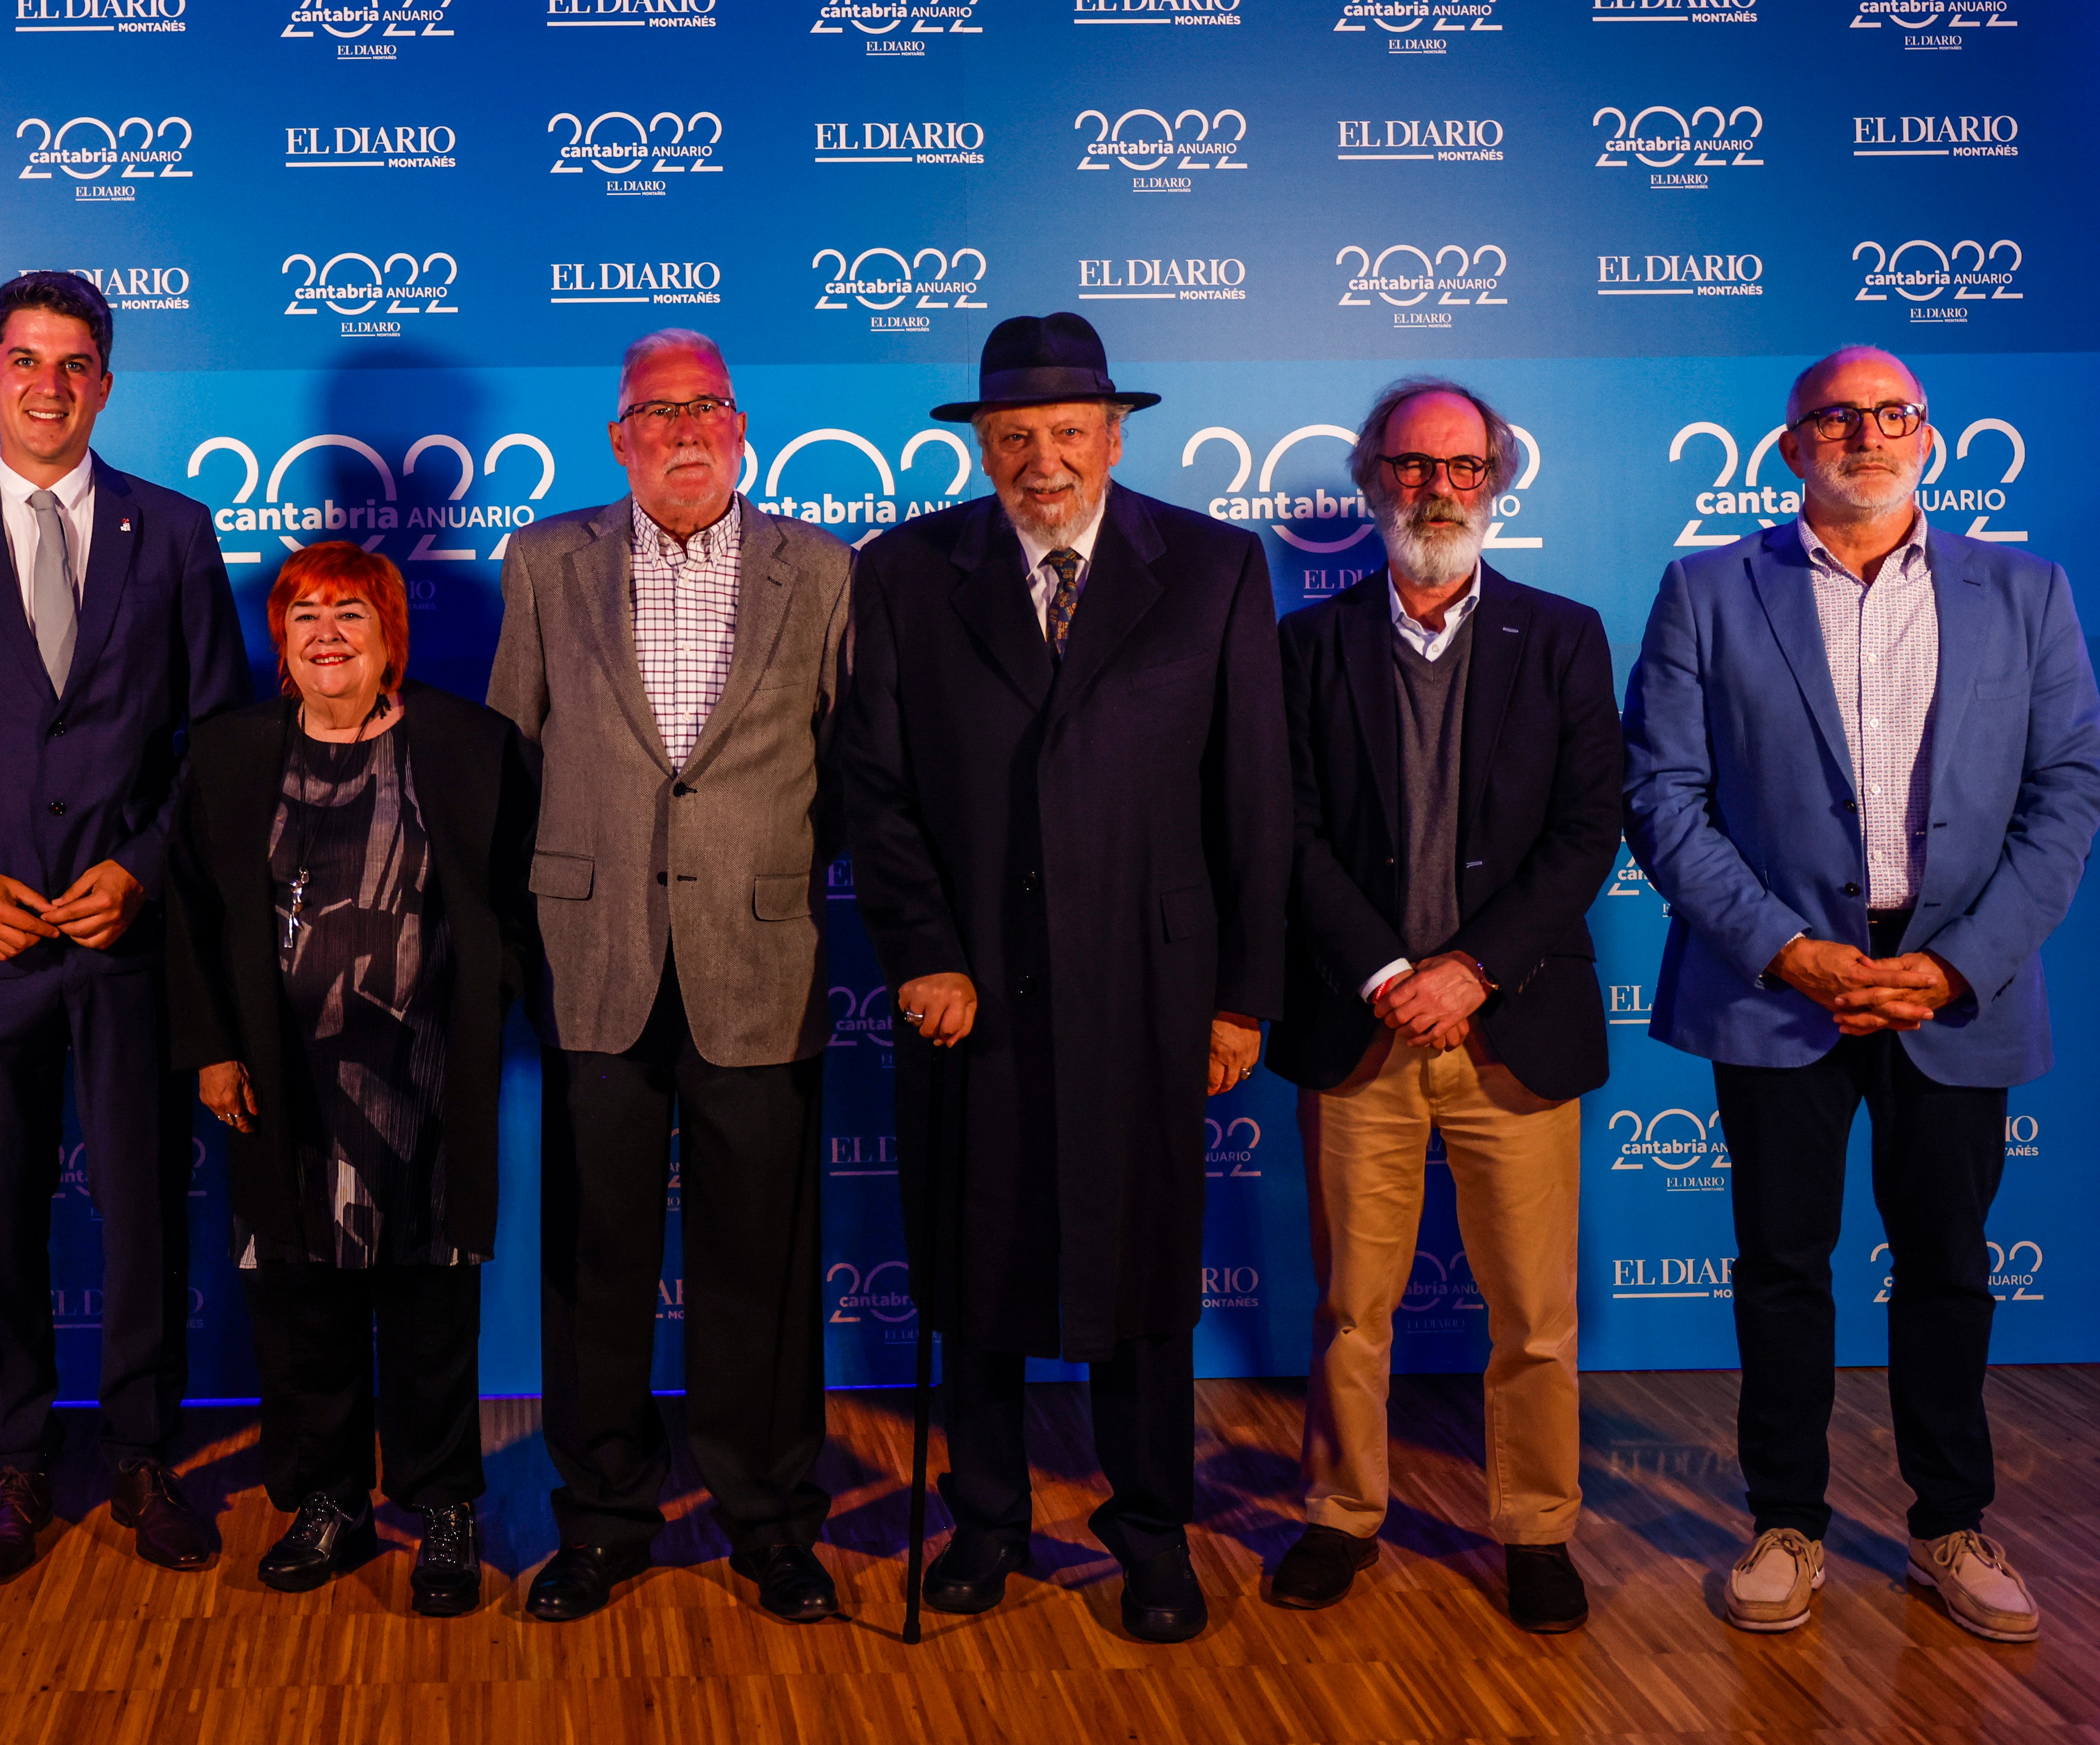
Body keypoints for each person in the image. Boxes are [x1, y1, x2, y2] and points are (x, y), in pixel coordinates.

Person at [1624, 345, 2100, 1643]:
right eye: (1832, 419)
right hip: (1777, 985)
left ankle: (1949, 1523)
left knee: (1947, 1266)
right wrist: (1782, 950)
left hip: (1953, 987)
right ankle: (1785, 1522)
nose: (1864, 435)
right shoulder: (1705, 590)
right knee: (1781, 1264)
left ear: (1928, 439)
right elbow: (1662, 796)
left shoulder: (2025, 591)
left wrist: (1954, 965)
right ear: (1787, 450)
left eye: (1890, 414)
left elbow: (2067, 794)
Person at [842, 311, 1289, 1641]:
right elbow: (875, 785)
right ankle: (986, 1521)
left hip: (1148, 995)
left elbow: (1252, 797)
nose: (1041, 460)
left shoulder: (1212, 567)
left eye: (1065, 433)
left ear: (1113, 435)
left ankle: (1150, 1532)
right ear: (980, 445)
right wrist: (918, 952)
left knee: (1143, 1274)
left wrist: (1237, 996)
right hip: (966, 991)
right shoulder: (905, 571)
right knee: (974, 1261)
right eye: (1013, 436)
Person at [0, 270, 249, 1581]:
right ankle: (17, 1461)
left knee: (145, 1207)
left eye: (74, 363)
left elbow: (218, 743)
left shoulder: (176, 532)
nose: (47, 384)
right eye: (23, 361)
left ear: (105, 381)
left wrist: (144, 869)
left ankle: (143, 1453)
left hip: (129, 937)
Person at [486, 328, 853, 1624]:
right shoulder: (544, 563)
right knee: (597, 1260)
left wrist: (758, 865)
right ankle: (600, 1517)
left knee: (763, 1262)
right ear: (617, 438)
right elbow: (508, 761)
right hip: (596, 963)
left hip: (759, 960)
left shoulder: (821, 569)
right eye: (656, 412)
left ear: (741, 423)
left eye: (705, 407)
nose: (683, 431)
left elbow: (849, 771)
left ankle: (766, 1520)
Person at [1267, 378, 1623, 1634]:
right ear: (1372, 479)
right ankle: (1338, 1512)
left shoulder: (1564, 635)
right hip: (1357, 1032)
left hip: (1510, 1030)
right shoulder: (1300, 648)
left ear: (1497, 478)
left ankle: (1533, 1529)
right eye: (1412, 468)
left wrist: (1469, 970)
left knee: (1532, 1318)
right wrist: (1384, 977)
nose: (1436, 490)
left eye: (1461, 468)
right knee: (1347, 1310)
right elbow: (1287, 835)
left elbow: (1589, 828)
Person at [166, 543, 536, 1616]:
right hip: (277, 1084)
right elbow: (191, 914)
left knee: (430, 1302)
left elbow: (516, 900)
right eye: (304, 616)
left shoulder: (468, 744)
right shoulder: (230, 753)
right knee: (297, 1302)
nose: (326, 634)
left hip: (420, 1080)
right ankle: (324, 1500)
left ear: (390, 638)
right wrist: (213, 1048)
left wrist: (475, 1006)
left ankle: (445, 1509)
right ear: (279, 641)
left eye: (350, 615)